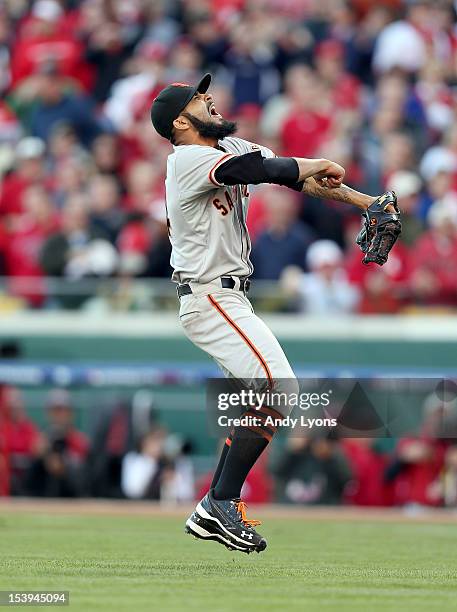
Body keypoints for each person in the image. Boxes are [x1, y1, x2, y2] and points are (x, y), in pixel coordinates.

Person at [150, 72, 399, 554]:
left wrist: (367, 202)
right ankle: (219, 503)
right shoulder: (186, 159)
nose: (210, 100)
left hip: (228, 296)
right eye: (200, 100)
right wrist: (312, 162)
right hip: (209, 296)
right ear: (181, 121)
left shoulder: (227, 146)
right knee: (279, 387)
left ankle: (214, 507)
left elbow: (297, 176)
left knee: (265, 396)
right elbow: (269, 171)